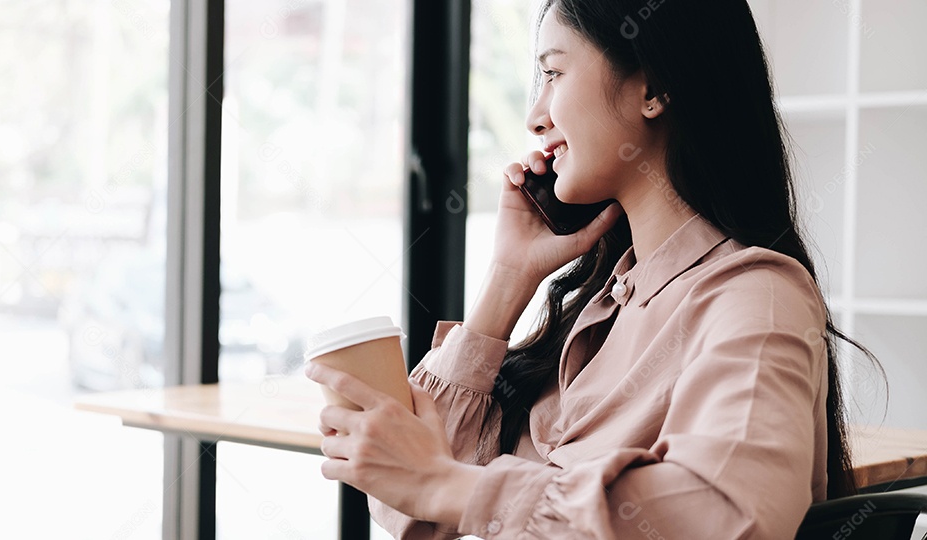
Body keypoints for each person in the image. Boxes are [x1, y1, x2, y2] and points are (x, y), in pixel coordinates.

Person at [304, 0, 877, 538]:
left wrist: (446, 486)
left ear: (651, 88)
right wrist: (508, 278)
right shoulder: (604, 306)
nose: (535, 116)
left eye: (553, 74)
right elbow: (408, 512)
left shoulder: (753, 297)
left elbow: (728, 514)